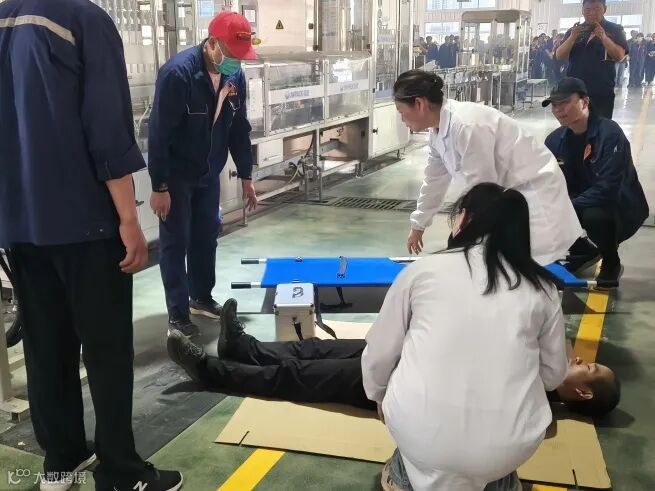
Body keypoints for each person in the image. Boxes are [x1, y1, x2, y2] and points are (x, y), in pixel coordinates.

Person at [172, 183, 571, 491]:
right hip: (502, 451)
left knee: (309, 373)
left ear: (464, 220)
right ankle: (244, 348)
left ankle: (213, 371)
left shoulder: (427, 271)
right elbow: (553, 374)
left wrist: (380, 396)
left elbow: (379, 357)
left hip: (418, 422)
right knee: (328, 349)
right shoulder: (542, 289)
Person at [0, 1, 182, 490]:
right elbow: (106, 130)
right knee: (106, 352)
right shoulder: (83, 20)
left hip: (21, 224)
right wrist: (129, 219)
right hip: (85, 221)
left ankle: (59, 464)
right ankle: (120, 470)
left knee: (46, 349)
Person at [167, 299, 621, 419]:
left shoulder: (538, 407)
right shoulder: (542, 370)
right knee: (317, 347)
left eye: (588, 367)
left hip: (405, 385)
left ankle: (210, 371)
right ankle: (243, 348)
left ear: (582, 393)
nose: (580, 358)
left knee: (299, 374)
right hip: (410, 356)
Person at [394, 70, 582, 266]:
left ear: (419, 104)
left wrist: (464, 228)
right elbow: (434, 180)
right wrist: (419, 223)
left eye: (401, 112)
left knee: (524, 263)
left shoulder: (466, 125)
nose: (402, 119)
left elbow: (482, 188)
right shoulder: (437, 131)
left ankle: (580, 252)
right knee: (488, 255)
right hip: (506, 192)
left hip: (533, 189)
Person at [148, 11, 258, 337]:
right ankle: (178, 313)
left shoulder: (234, 78)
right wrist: (159, 185)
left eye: (241, 58)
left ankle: (201, 296)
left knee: (206, 235)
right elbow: (159, 134)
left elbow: (239, 128)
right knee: (175, 242)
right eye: (232, 55)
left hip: (209, 172)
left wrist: (246, 175)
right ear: (212, 44)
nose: (236, 63)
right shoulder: (177, 75)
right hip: (177, 176)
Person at [544, 78, 649, 288]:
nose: (558, 110)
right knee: (540, 205)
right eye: (554, 105)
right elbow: (548, 181)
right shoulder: (554, 141)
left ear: (584, 101)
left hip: (617, 205)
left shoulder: (610, 135)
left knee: (595, 216)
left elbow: (608, 189)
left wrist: (567, 205)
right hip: (579, 200)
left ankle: (611, 261)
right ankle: (582, 250)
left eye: (564, 102)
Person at [555, 0, 628, 119]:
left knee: (600, 125)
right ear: (582, 10)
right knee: (574, 123)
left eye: (597, 9)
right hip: (575, 91)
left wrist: (604, 37)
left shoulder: (615, 29)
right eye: (588, 9)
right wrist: (572, 38)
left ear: (605, 9)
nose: (592, 13)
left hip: (601, 90)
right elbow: (559, 55)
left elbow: (619, 56)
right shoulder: (575, 30)